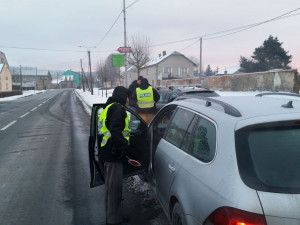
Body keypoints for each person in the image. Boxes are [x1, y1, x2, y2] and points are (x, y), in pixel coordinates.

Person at [98, 86, 130, 225]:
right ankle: (114, 220)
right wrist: (123, 147)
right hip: (113, 154)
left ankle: (111, 217)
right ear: (123, 96)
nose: (128, 99)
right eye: (127, 96)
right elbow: (115, 131)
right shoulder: (117, 108)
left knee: (110, 188)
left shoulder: (109, 106)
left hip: (107, 152)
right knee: (114, 189)